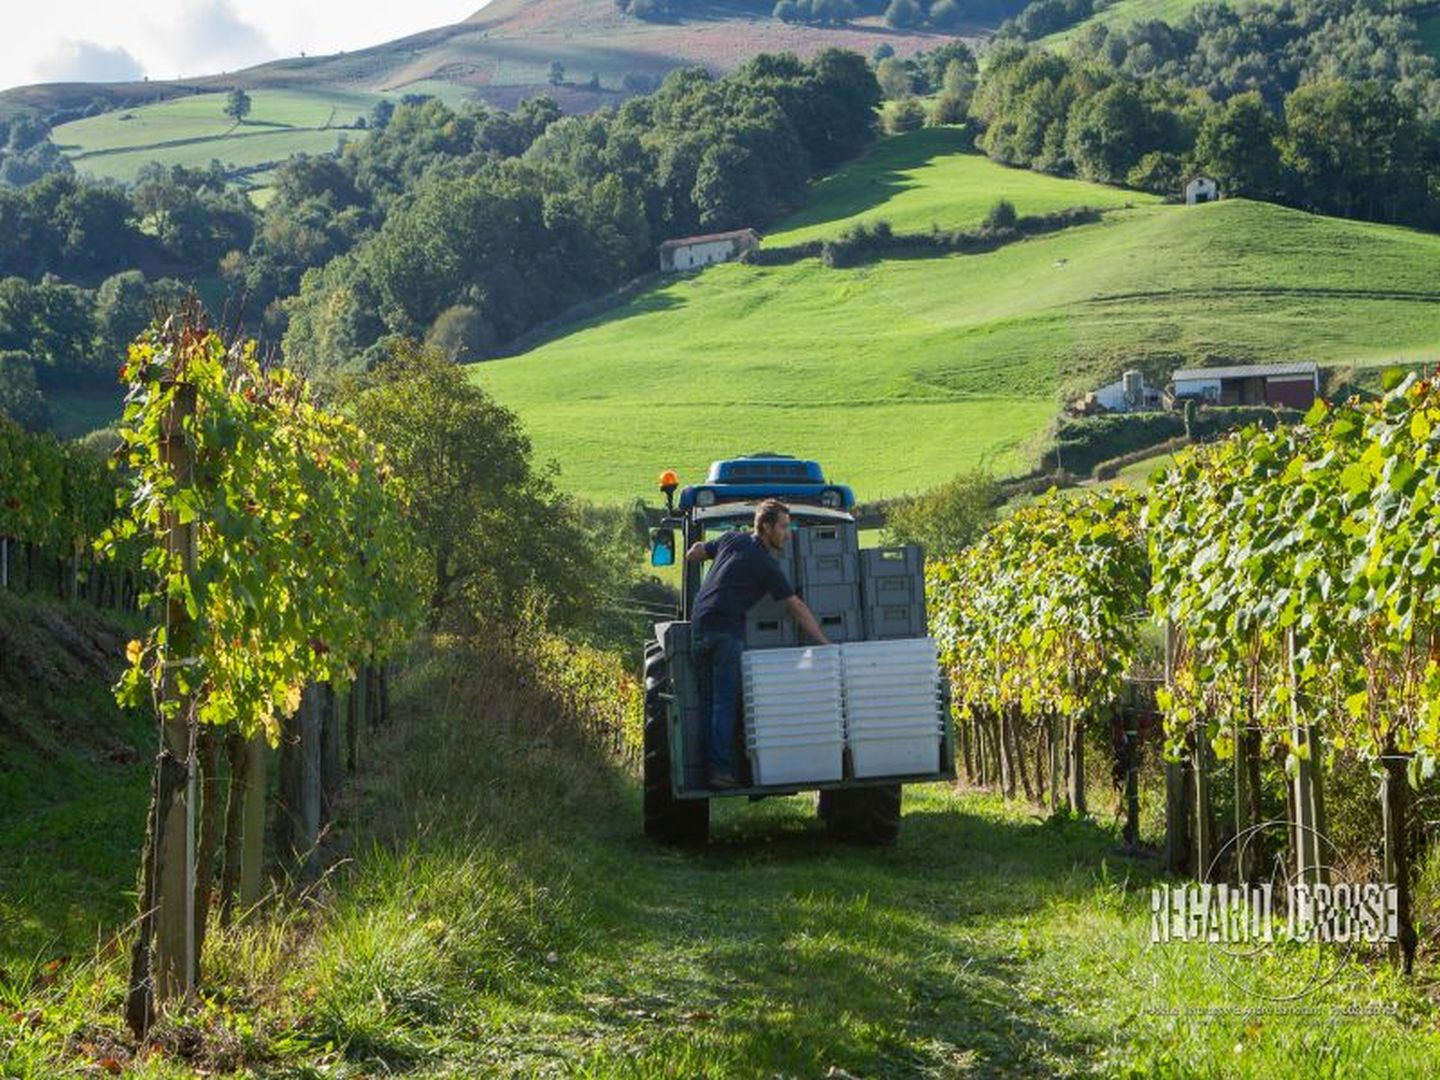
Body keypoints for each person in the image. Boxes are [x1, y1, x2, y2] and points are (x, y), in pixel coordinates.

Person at [685, 498, 831, 789]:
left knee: (706, 702)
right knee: (724, 704)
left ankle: (704, 769)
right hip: (725, 630)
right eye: (783, 527)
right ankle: (720, 772)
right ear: (765, 527)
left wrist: (707, 555)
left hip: (700, 626)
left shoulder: (732, 539)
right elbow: (796, 606)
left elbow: (694, 554)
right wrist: (824, 642)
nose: (788, 534)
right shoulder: (766, 565)